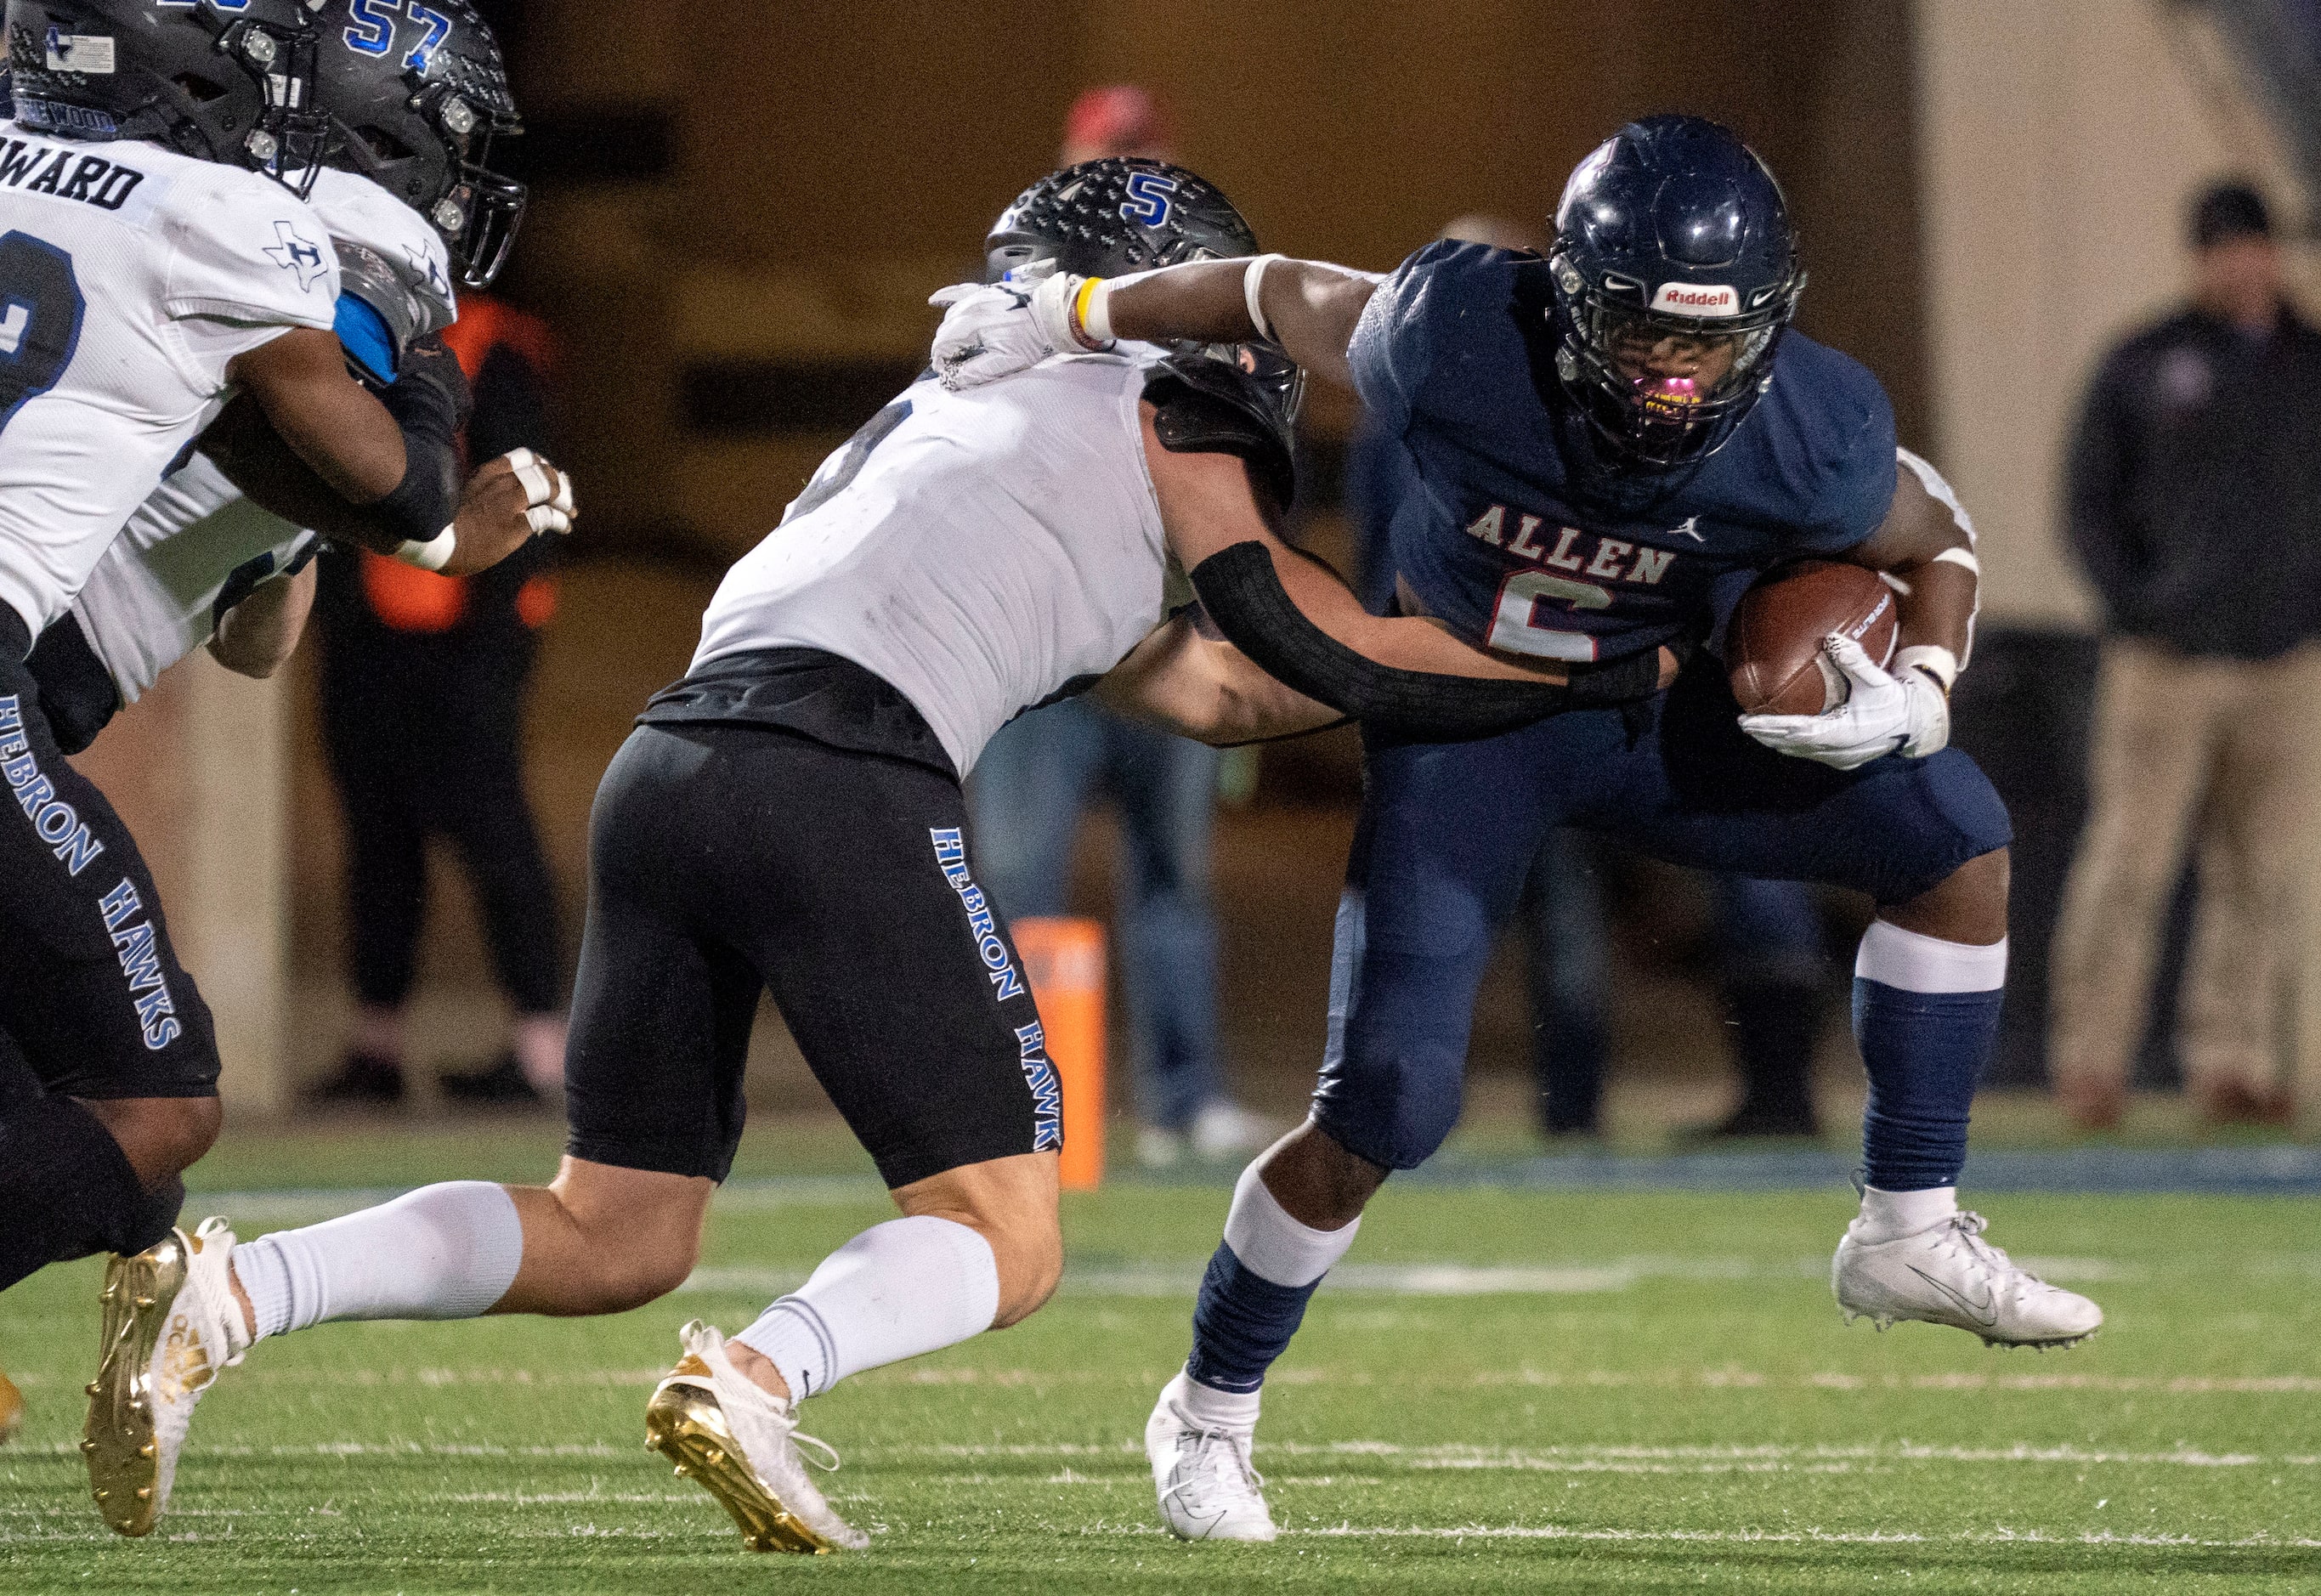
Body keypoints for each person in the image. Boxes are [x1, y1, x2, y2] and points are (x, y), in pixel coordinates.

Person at [86, 158, 1641, 1550]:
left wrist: (1465, 673)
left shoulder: (959, 423)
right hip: (838, 769)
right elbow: (1310, 632)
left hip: (671, 763)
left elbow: (1227, 686)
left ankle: (231, 1290)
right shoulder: (1156, 401)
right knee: (1005, 1236)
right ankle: (752, 1376)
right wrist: (1595, 668)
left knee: (615, 1227)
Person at [929, 112, 2103, 1543]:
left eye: (1706, 349)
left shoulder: (1809, 423)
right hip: (1458, 723)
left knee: (1957, 833)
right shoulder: (1456, 331)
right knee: (1386, 1105)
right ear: (1566, 303)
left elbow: (1939, 538)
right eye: (1638, 341)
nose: (1673, 386)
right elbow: (1272, 288)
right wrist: (1065, 310)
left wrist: (1925, 678)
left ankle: (1906, 1224)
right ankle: (1209, 1405)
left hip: (1657, 710)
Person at [9, 0, 574, 1537]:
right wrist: (438, 500)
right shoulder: (258, 231)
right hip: (25, 670)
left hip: (39, 682)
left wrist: (304, 515)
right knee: (148, 1113)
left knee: (94, 1123)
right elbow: (406, 482)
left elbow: (263, 611)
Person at [1347, 213, 1836, 1143]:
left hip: (1608, 679)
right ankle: (1559, 1111)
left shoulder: (1579, 393)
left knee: (1687, 871)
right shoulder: (1487, 398)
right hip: (1562, 680)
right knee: (1573, 892)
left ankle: (1667, 1105)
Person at [2048, 180, 2321, 1131]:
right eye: (2223, 249)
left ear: (2275, 253)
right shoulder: (2145, 363)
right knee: (2130, 862)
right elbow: (2088, 503)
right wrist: (2138, 606)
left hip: (2286, 663)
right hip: (2167, 663)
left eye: (2255, 246)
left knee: (2263, 874)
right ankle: (2093, 1062)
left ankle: (2232, 1060)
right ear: (2199, 259)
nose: (2242, 264)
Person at [971, 84, 1271, 1166]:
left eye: (1140, 157)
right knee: (1011, 882)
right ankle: (1024, 1112)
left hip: (1161, 632)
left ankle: (1183, 1101)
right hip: (1041, 655)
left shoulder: (1206, 294)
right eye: (1108, 156)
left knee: (1175, 883)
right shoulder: (1008, 295)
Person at [308, 289, 569, 1108]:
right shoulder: (349, 330)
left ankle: (541, 1051)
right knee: (380, 839)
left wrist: (499, 642)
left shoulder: (491, 342)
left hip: (467, 643)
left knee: (496, 834)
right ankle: (377, 1049)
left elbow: (529, 494)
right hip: (372, 640)